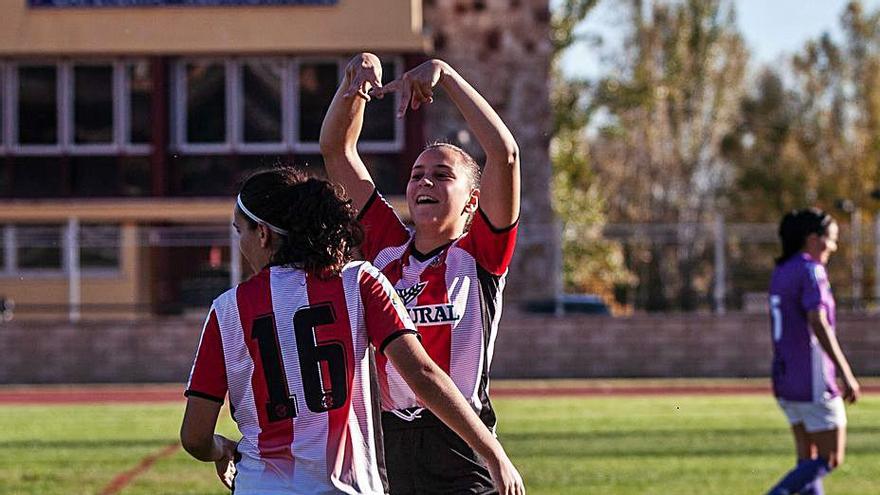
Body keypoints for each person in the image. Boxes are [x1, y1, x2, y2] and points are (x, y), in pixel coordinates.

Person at [179, 168, 524, 495]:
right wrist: (493, 454)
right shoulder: (359, 281)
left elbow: (195, 436)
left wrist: (221, 448)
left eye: (242, 231)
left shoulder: (227, 309)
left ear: (264, 234)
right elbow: (422, 373)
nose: (242, 243)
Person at [320, 53, 520, 494]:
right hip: (385, 440)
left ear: (472, 201)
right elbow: (337, 151)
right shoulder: (386, 245)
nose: (424, 182)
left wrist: (445, 74)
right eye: (417, 175)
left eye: (442, 175)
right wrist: (355, 81)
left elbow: (504, 154)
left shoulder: (482, 253)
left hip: (460, 440)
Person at [766, 208, 861, 495]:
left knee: (807, 459)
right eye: (830, 239)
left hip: (785, 377)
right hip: (812, 377)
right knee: (830, 458)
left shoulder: (782, 271)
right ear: (813, 239)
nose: (833, 246)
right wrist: (845, 372)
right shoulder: (811, 270)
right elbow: (818, 322)